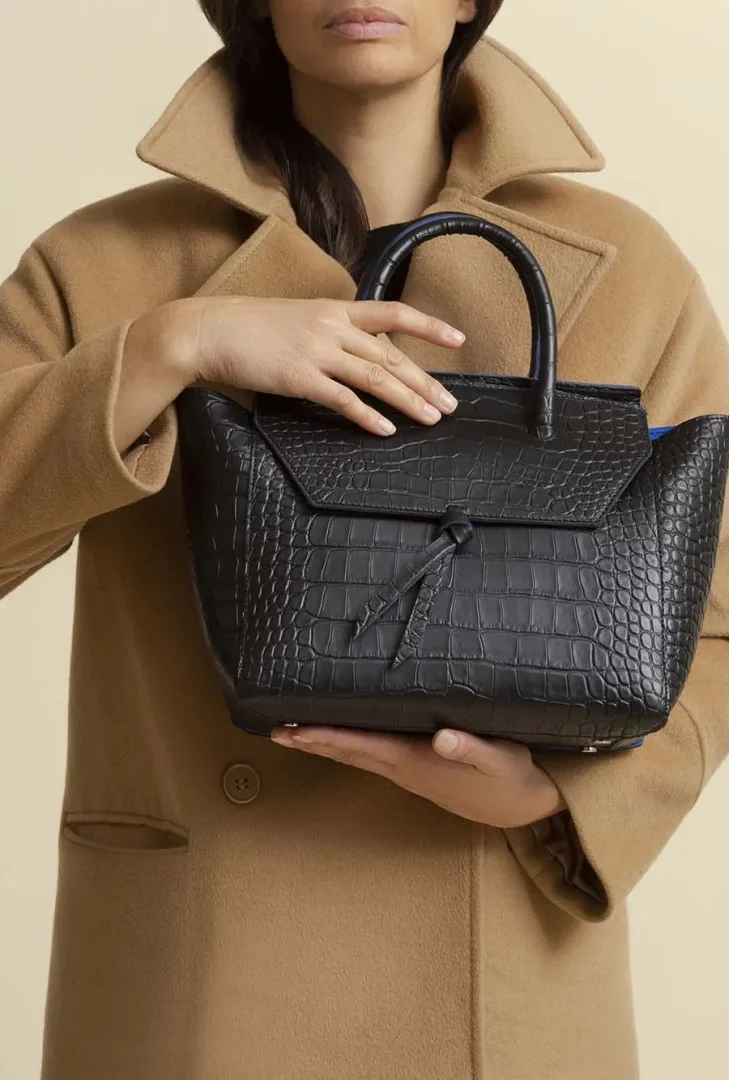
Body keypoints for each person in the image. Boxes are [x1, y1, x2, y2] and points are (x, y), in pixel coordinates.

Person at [1, 2, 728, 1078]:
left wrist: (553, 799)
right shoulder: (104, 264)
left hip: (497, 970)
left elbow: (718, 625)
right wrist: (176, 343)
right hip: (199, 956)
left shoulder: (628, 270)